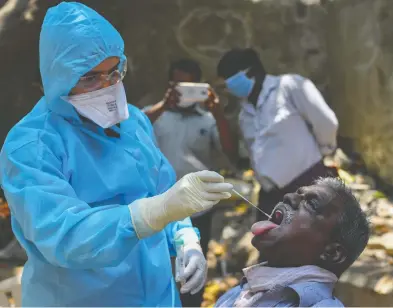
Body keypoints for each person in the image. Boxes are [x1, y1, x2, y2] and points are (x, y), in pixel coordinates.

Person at [0, 2, 234, 307]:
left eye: (114, 72)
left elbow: (164, 190)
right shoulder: (31, 146)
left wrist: (185, 239)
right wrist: (150, 213)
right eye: (90, 78)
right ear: (59, 77)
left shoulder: (133, 122)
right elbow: (63, 235)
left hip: (157, 296)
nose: (108, 87)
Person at [144, 59, 238, 307]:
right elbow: (130, 130)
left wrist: (219, 114)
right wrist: (164, 105)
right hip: (159, 206)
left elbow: (231, 150)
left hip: (198, 208)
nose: (183, 91)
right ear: (169, 85)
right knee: (158, 269)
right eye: (178, 85)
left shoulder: (207, 120)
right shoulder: (156, 115)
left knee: (192, 272)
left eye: (189, 85)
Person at [217, 48, 339, 226]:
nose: (229, 87)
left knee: (314, 242)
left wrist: (321, 153)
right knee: (272, 247)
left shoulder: (290, 86)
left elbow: (326, 122)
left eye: (231, 80)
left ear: (250, 72)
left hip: (307, 183)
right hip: (272, 196)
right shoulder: (244, 115)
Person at [215, 177, 370, 307]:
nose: (289, 197)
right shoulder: (238, 294)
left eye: (312, 204)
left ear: (332, 252)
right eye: (297, 193)